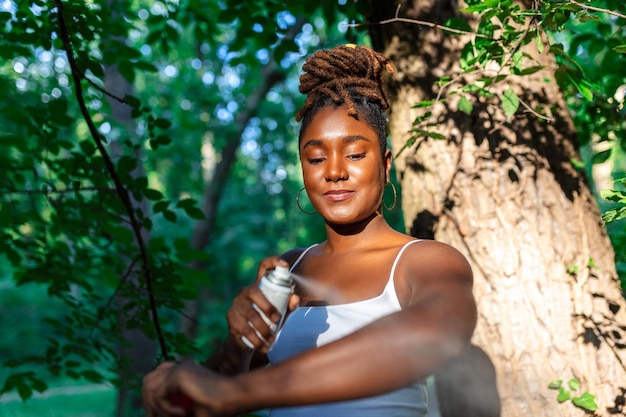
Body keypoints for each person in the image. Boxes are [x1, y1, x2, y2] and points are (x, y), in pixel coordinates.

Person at [142, 44, 477, 417]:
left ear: (384, 164)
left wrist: (236, 393)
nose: (334, 171)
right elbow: (205, 397)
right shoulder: (289, 270)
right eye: (316, 158)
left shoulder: (423, 261)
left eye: (354, 154)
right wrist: (239, 344)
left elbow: (441, 330)